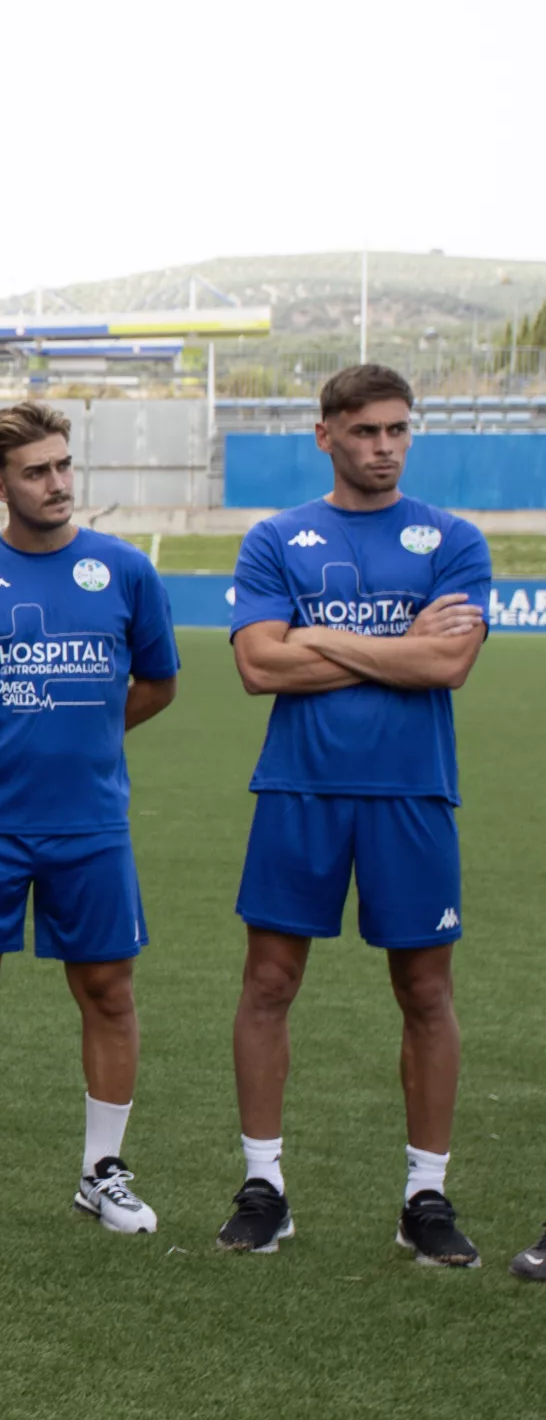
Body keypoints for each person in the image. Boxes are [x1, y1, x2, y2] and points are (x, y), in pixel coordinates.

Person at [222, 364, 488, 1266]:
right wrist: (395, 641)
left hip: (413, 793)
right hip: (298, 788)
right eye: (367, 430)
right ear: (326, 433)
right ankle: (265, 1187)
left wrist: (317, 637)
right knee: (268, 984)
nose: (384, 446)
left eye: (398, 430)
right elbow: (259, 666)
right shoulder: (277, 538)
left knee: (425, 992)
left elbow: (445, 667)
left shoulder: (451, 539)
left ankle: (426, 1195)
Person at [0, 403, 178, 1233]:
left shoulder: (126, 571)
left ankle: (103, 1171)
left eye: (63, 465)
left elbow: (159, 682)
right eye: (36, 471)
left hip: (91, 824)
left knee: (107, 989)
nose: (57, 484)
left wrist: (88, 735)